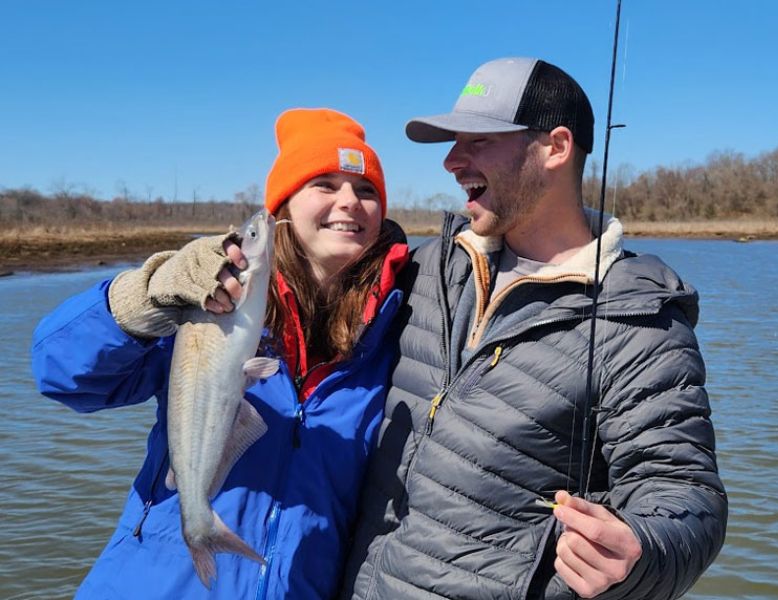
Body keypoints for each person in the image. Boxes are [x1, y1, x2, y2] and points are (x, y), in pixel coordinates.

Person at [340, 57, 728, 600]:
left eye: (478, 140)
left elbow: (684, 495)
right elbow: (302, 282)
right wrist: (207, 273)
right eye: (454, 141)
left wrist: (641, 551)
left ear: (555, 148)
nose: (453, 160)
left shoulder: (640, 321)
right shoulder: (427, 269)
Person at [31, 108, 409, 599]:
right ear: (283, 207)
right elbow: (63, 376)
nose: (349, 203)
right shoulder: (210, 293)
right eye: (324, 184)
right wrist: (146, 296)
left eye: (366, 191)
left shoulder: (401, 333)